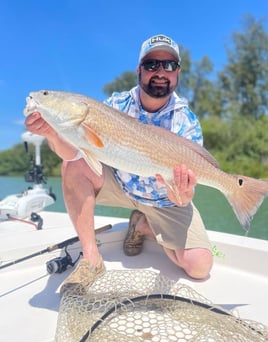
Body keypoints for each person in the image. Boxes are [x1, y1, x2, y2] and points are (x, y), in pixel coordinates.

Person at [25, 34, 213, 294]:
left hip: (165, 200)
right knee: (73, 166)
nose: (160, 72)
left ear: (177, 72)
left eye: (168, 65)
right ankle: (91, 260)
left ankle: (144, 225)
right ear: (139, 70)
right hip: (122, 187)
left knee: (199, 267)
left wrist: (181, 193)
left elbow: (184, 197)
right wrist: (52, 133)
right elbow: (72, 154)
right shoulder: (114, 106)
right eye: (151, 65)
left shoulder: (187, 122)